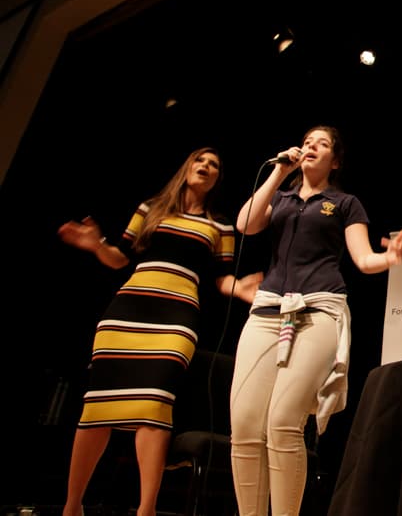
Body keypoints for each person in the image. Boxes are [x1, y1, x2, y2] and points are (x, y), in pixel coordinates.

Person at [57, 147, 263, 516]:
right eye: (200, 161)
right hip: (126, 314)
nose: (206, 167)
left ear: (217, 179)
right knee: (97, 407)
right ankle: (72, 507)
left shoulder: (220, 226)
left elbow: (222, 278)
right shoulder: (149, 209)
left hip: (176, 319)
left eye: (214, 165)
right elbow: (119, 257)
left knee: (155, 403)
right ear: (187, 168)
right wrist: (95, 245)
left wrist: (242, 289)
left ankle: (146, 509)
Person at [230, 124, 402, 516]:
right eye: (307, 142)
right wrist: (280, 171)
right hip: (267, 309)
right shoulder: (282, 195)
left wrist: (388, 259)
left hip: (319, 310)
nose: (311, 147)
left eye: (321, 144)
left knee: (281, 422)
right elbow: (245, 224)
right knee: (243, 427)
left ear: (336, 160)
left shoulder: (344, 203)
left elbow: (362, 258)